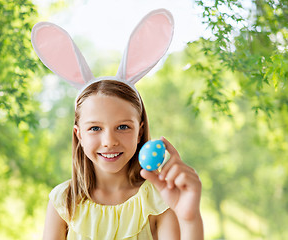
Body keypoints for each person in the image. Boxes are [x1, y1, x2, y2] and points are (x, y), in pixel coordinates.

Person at [31, 9, 203, 240]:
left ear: (140, 130)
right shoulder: (64, 201)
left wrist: (190, 219)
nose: (109, 141)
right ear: (78, 135)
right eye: (95, 128)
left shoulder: (159, 198)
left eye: (123, 127)